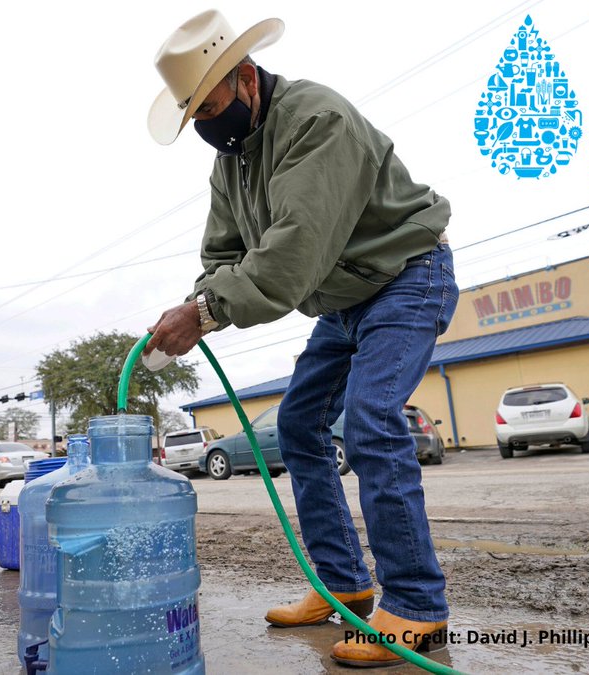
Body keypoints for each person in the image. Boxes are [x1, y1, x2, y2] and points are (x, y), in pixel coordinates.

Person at [145, 10, 458, 668]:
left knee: (370, 419)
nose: (206, 125)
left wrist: (204, 312)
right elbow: (222, 254)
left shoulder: (318, 120)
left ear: (246, 77)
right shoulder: (232, 162)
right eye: (194, 115)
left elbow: (292, 254)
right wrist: (201, 300)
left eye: (211, 107)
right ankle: (344, 584)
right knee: (297, 426)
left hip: (406, 276)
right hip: (344, 302)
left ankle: (417, 608)